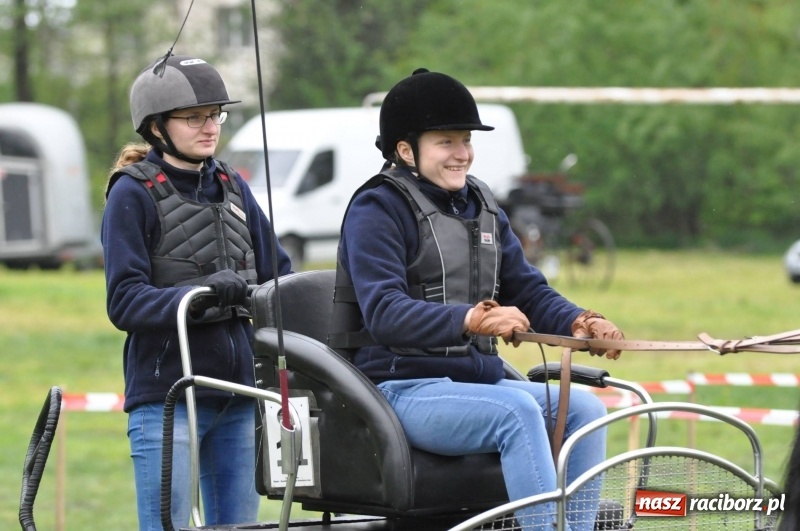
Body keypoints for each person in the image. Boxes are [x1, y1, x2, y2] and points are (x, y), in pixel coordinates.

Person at [329, 68, 624, 530]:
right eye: (446, 141)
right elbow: (384, 312)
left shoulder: (481, 203)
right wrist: (470, 318)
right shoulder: (377, 209)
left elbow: (527, 288)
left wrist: (580, 321)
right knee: (518, 411)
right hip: (400, 388)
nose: (462, 153)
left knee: (587, 407)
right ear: (406, 150)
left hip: (477, 383)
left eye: (465, 139)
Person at [102, 54, 292, 531]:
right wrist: (203, 292)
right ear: (157, 127)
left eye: (216, 115)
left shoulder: (231, 184)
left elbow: (279, 273)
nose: (210, 127)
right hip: (168, 397)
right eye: (194, 118)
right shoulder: (132, 194)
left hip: (239, 391)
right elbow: (124, 300)